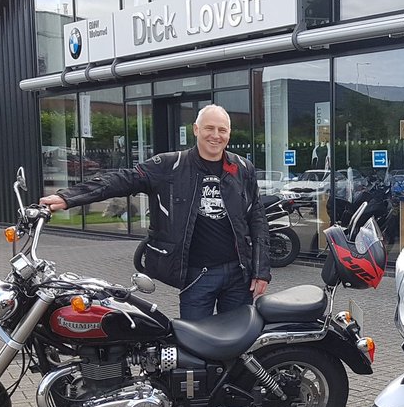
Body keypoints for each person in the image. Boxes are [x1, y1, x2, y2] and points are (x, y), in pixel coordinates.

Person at [40, 104, 270, 319]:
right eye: (209, 128)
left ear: (229, 134)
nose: (216, 135)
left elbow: (257, 218)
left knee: (240, 342)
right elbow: (123, 179)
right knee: (194, 346)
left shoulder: (242, 168)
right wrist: (68, 197)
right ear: (196, 129)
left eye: (223, 130)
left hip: (238, 274)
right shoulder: (170, 165)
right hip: (197, 275)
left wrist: (261, 271)